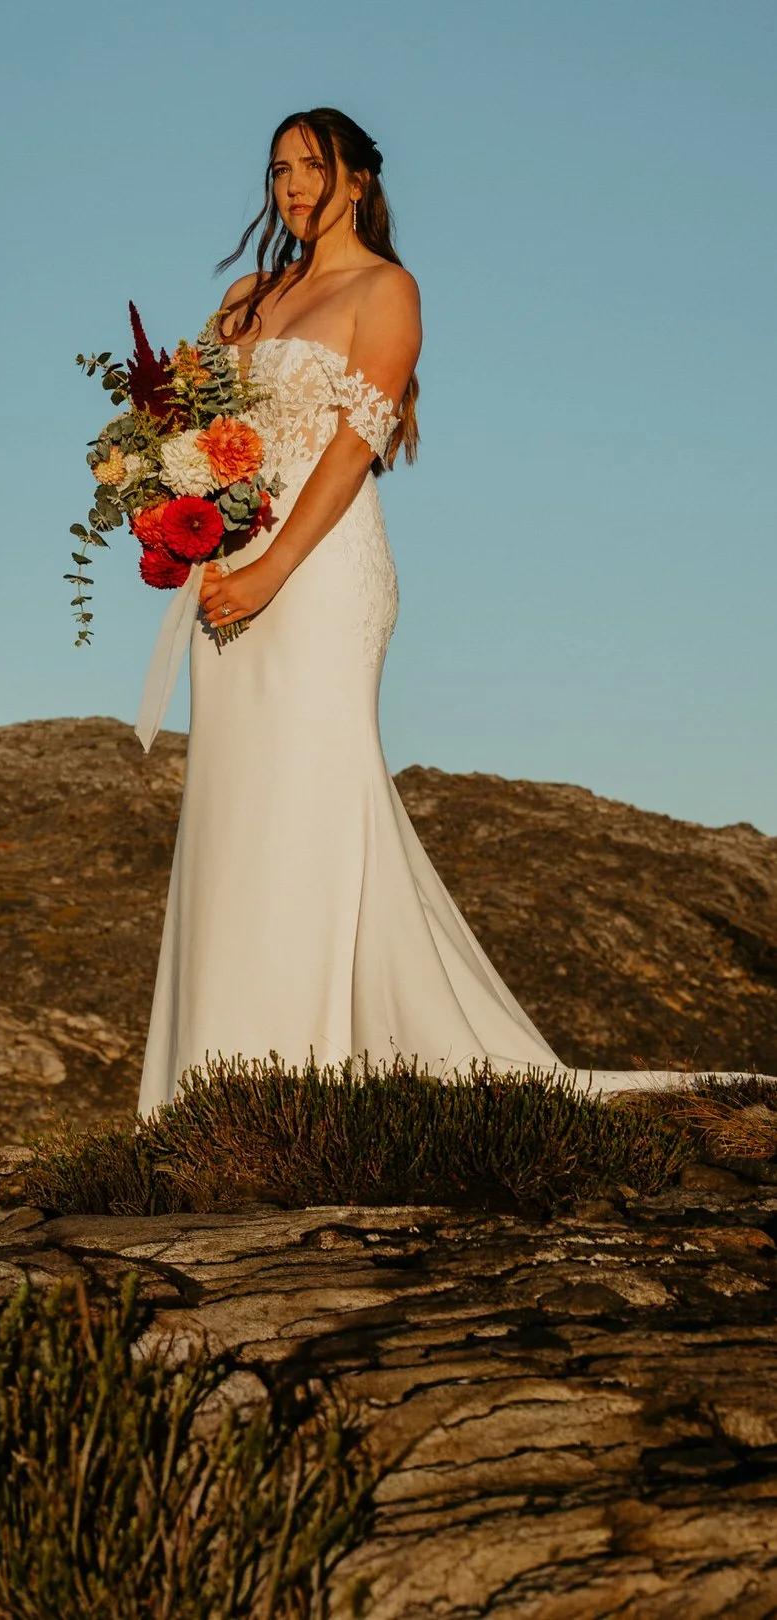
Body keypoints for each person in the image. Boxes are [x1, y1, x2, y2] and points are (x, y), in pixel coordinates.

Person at [137, 107, 593, 1110]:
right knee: (231, 800)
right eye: (276, 170)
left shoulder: (387, 290)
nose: (291, 185)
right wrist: (174, 510)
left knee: (307, 791)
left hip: (322, 570)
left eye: (310, 166)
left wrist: (272, 571)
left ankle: (298, 1077)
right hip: (234, 565)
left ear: (354, 178)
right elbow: (201, 430)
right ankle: (210, 1086)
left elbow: (352, 448)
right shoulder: (243, 297)